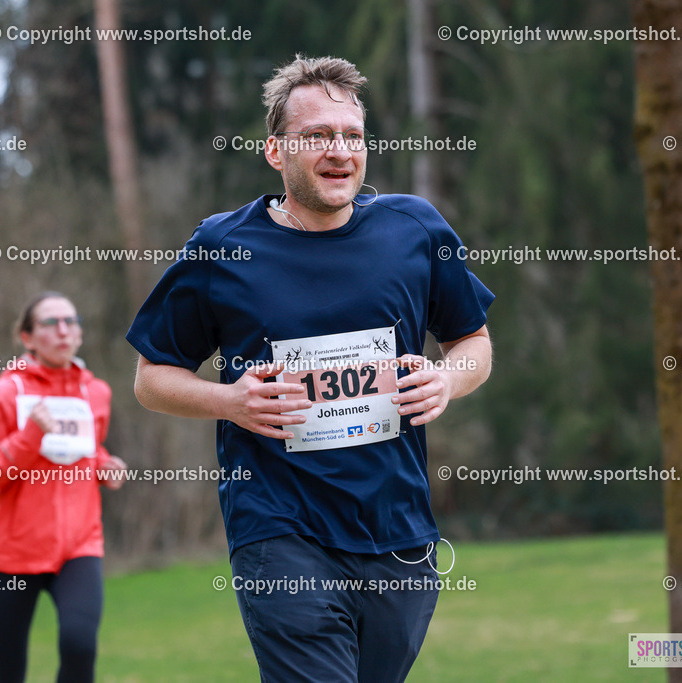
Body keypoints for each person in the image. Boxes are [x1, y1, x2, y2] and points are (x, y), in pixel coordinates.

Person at [127, 55, 494, 682]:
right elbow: (150, 378)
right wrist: (231, 400)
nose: (339, 151)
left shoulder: (414, 230)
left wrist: (447, 379)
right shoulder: (222, 246)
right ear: (276, 151)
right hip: (278, 527)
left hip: (397, 533)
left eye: (351, 136)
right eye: (317, 135)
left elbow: (474, 341)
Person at [0, 292, 128, 683]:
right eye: (50, 323)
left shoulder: (97, 392)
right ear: (27, 337)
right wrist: (29, 436)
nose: (64, 330)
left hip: (79, 545)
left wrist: (106, 465)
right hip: (13, 553)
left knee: (80, 647)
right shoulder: (4, 394)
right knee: (6, 672)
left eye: (71, 321)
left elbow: (88, 451)